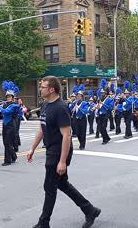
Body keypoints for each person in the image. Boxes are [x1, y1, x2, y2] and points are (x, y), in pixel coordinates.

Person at [27, 75, 101, 228]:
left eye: (43, 87)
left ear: (51, 89)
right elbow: (41, 128)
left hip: (59, 150)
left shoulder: (60, 107)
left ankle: (43, 223)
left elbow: (66, 135)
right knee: (61, 184)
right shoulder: (45, 105)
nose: (40, 89)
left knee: (49, 187)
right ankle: (89, 210)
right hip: (51, 149)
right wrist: (32, 148)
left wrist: (62, 161)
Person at [0, 81, 20, 166]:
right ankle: (13, 156)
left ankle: (7, 160)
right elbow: (1, 113)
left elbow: (6, 112)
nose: (8, 98)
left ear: (13, 97)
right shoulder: (5, 104)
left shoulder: (14, 105)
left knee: (8, 143)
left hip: (11, 125)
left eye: (10, 96)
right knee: (5, 142)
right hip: (5, 125)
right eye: (7, 96)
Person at [72, 86, 89, 150]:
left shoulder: (84, 103)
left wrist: (79, 108)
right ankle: (80, 142)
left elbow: (86, 111)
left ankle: (82, 145)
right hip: (76, 119)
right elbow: (71, 110)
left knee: (82, 133)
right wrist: (73, 108)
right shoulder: (75, 102)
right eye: (77, 96)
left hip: (82, 119)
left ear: (82, 97)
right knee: (77, 132)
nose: (78, 97)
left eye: (79, 96)